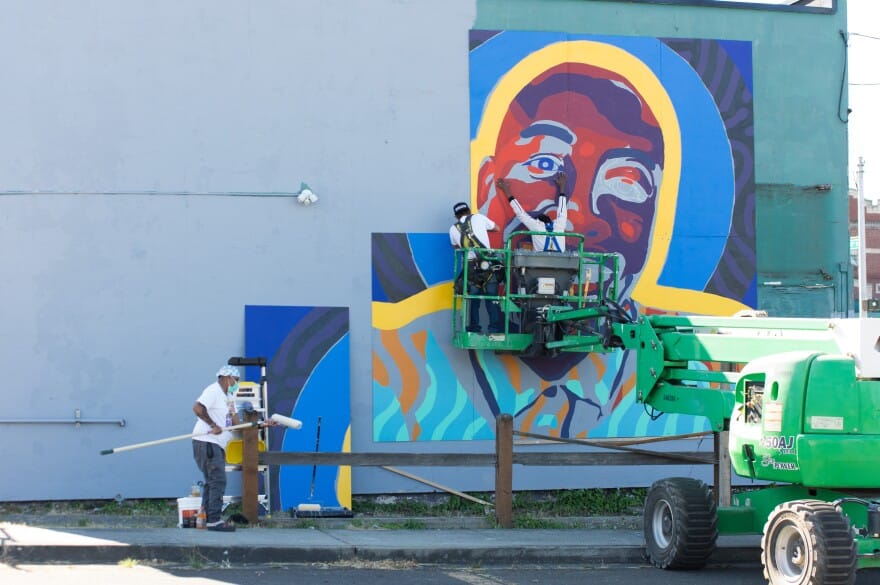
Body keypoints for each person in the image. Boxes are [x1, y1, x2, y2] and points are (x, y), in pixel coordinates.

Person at [192, 364, 241, 532]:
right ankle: (214, 520)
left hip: (217, 444)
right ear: (227, 377)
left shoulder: (229, 396)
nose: (237, 383)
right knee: (218, 480)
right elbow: (197, 408)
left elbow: (236, 425)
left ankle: (204, 518)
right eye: (236, 380)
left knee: (212, 481)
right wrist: (213, 424)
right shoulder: (213, 390)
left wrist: (262, 424)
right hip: (207, 441)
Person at [449, 201, 504, 334]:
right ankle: (494, 329)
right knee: (492, 299)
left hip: (471, 269)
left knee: (474, 300)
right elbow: (497, 228)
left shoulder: (453, 229)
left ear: (456, 216)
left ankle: (473, 328)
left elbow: (456, 247)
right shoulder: (479, 217)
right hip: (488, 265)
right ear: (468, 211)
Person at [496, 171, 569, 252]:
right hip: (561, 261)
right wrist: (562, 188)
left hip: (540, 262)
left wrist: (507, 191)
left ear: (538, 220)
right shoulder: (559, 225)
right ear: (550, 220)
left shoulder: (535, 226)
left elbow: (521, 213)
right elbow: (562, 210)